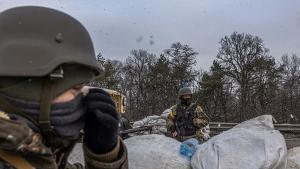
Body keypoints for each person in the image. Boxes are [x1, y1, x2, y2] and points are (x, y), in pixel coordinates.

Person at [0, 6, 127, 169]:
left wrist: (105, 154)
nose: (85, 97)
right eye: (76, 87)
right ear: (30, 90)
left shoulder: (38, 156)